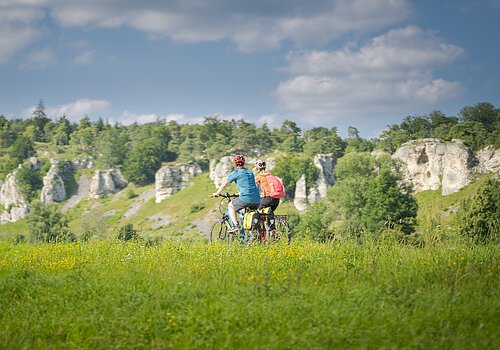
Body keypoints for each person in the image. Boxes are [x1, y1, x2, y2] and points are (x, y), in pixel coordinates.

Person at [212, 155, 260, 232]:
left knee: (231, 206)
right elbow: (249, 185)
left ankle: (235, 226)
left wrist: (217, 193)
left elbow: (225, 184)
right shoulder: (250, 172)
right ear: (244, 163)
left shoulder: (236, 173)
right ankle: (250, 234)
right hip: (257, 199)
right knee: (247, 216)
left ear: (235, 164)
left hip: (245, 198)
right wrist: (240, 193)